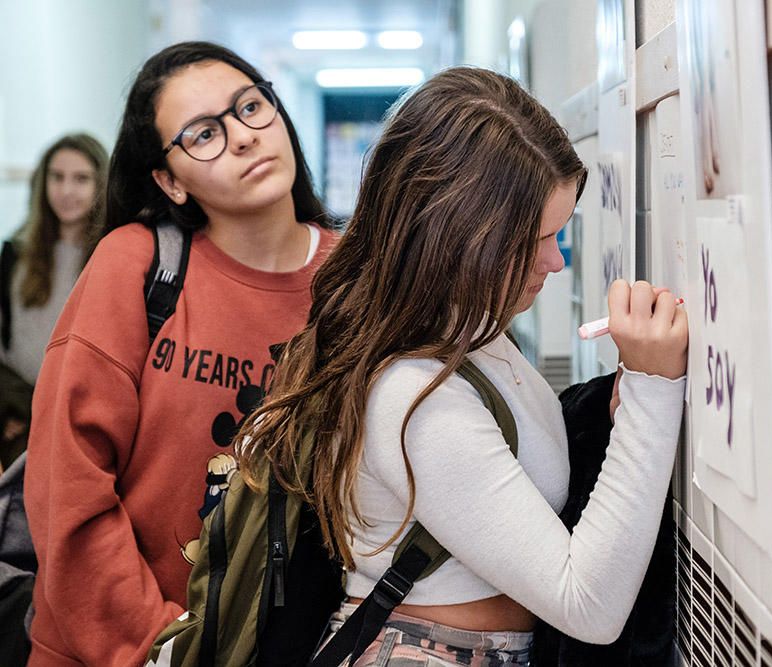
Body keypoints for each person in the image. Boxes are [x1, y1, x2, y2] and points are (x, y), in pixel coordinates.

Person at [238, 67, 689, 666]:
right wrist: (654, 393)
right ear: (460, 236)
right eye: (535, 239)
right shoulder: (413, 394)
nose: (555, 262)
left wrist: (616, 405)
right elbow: (589, 604)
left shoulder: (465, 333)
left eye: (560, 234)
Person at [23, 41, 338, 666]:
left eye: (250, 107)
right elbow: (68, 482)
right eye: (202, 135)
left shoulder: (358, 280)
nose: (244, 137)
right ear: (169, 180)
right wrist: (163, 647)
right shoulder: (137, 264)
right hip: (117, 650)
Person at [0, 133, 107, 469]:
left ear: (100, 184)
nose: (66, 191)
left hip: (84, 419)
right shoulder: (15, 252)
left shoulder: (112, 256)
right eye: (57, 177)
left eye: (81, 179)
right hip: (20, 418)